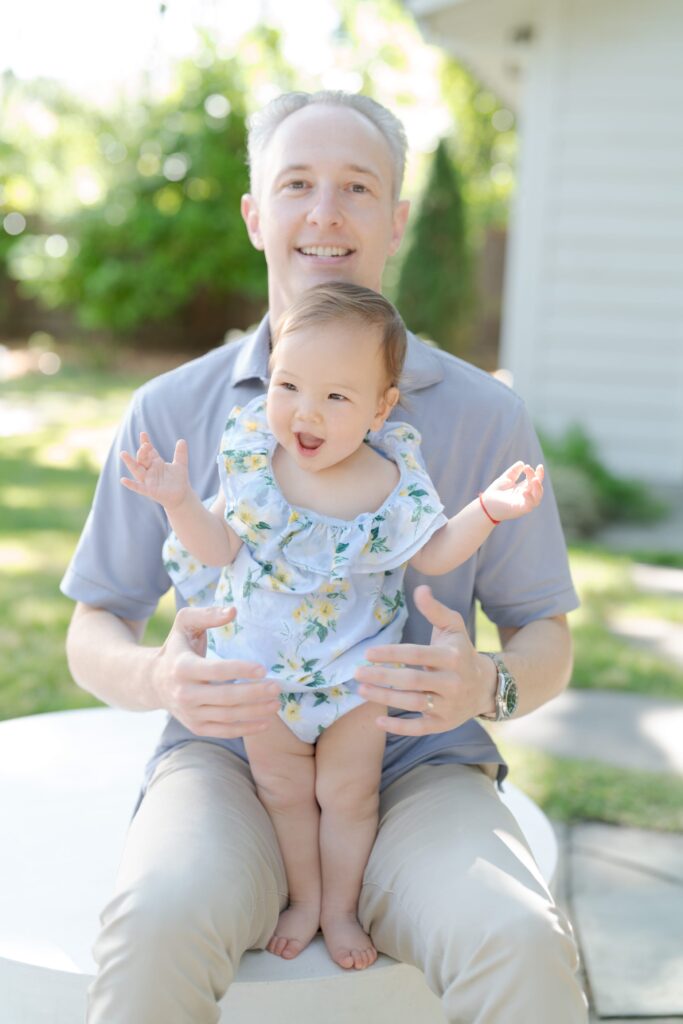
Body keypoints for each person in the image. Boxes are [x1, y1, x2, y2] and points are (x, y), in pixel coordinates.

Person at [62, 90, 588, 1023]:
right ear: (256, 215)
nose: (324, 212)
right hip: (228, 757)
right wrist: (159, 677)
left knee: (517, 943)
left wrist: (484, 688)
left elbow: (543, 634)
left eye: (356, 187)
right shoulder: (172, 413)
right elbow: (93, 623)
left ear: (394, 220)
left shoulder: (481, 416)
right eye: (296, 184)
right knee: (155, 923)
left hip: (417, 764)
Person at [119, 281, 545, 971]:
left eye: (336, 397)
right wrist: (176, 502)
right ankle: (303, 899)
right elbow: (219, 548)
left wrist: (488, 510)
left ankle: (342, 909)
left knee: (346, 795)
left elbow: (433, 553)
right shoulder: (255, 459)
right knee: (283, 792)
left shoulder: (390, 481)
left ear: (380, 409)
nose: (304, 413)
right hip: (258, 674)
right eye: (289, 385)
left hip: (354, 676)